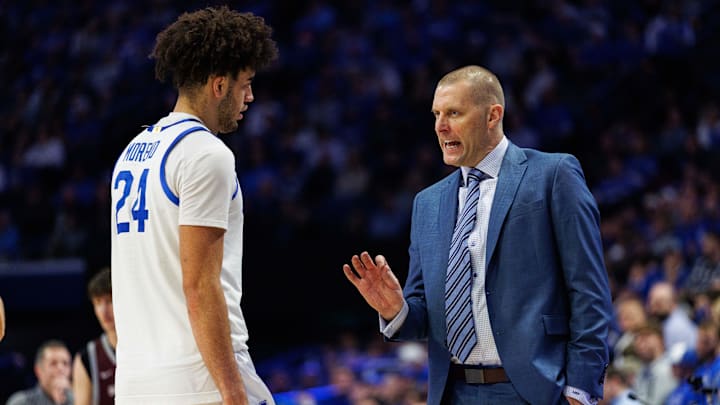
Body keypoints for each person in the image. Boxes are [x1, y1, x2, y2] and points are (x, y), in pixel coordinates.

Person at [343, 65, 613, 404]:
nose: (440, 126)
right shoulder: (426, 203)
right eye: (436, 114)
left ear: (492, 115)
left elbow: (589, 290)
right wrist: (395, 309)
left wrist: (581, 389)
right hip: (453, 392)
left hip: (538, 390)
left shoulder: (553, 175)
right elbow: (425, 317)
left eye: (454, 113)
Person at [110, 6, 277, 405]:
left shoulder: (132, 152)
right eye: (245, 84)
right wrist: (233, 392)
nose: (250, 96)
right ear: (219, 85)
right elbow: (200, 285)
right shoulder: (205, 153)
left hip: (134, 382)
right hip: (199, 381)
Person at [72, 267, 116, 405]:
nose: (104, 311)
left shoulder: (147, 348)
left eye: (109, 301)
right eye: (97, 303)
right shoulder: (87, 357)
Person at [6, 339, 73, 405]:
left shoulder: (75, 399)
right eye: (53, 363)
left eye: (65, 363)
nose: (61, 368)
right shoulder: (20, 402)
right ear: (38, 371)